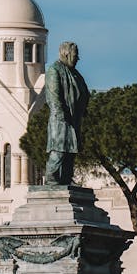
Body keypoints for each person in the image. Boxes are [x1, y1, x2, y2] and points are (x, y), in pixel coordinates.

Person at [45, 41, 89, 186]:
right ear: (66, 54)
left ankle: (66, 178)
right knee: (59, 149)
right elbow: (53, 95)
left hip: (74, 118)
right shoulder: (54, 70)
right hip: (61, 119)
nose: (78, 58)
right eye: (75, 55)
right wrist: (61, 114)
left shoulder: (75, 73)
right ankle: (51, 178)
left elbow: (84, 92)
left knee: (71, 150)